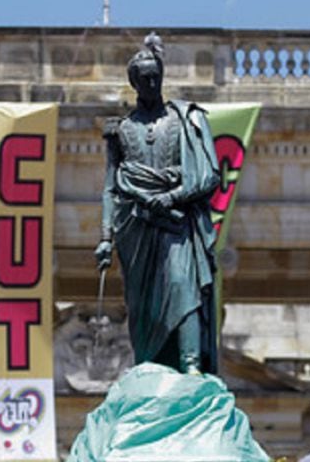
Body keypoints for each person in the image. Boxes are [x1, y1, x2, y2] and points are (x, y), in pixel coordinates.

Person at [93, 32, 221, 375]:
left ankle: (192, 366)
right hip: (136, 227)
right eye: (145, 79)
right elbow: (111, 187)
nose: (152, 83)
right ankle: (149, 369)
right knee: (143, 307)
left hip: (177, 221)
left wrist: (172, 197)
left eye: (156, 77)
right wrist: (106, 236)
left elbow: (209, 174)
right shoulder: (119, 131)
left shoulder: (187, 119)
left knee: (183, 283)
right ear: (134, 83)